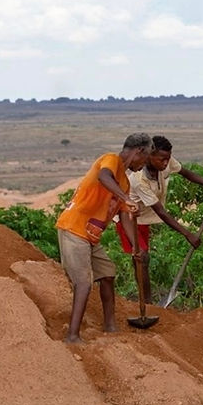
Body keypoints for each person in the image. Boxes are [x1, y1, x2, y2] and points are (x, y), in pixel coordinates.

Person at [55, 133, 151, 343]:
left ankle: (110, 326)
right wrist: (126, 198)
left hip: (90, 236)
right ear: (139, 151)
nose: (143, 165)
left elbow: (125, 216)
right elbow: (103, 177)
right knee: (83, 282)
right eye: (145, 159)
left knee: (107, 273)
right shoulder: (111, 160)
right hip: (74, 229)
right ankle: (72, 335)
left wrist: (137, 247)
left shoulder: (124, 182)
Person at [119, 135, 203, 301]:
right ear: (149, 157)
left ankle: (145, 302)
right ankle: (146, 304)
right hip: (130, 218)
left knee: (142, 259)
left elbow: (186, 173)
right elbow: (161, 212)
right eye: (162, 159)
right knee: (141, 257)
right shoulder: (138, 180)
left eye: (168, 159)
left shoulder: (165, 162)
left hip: (145, 219)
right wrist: (187, 234)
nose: (166, 163)